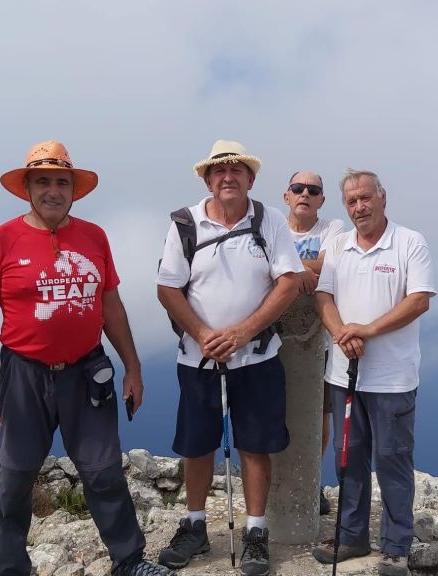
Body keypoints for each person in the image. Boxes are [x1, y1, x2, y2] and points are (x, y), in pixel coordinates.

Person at [0, 141, 174, 576]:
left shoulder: (94, 237)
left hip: (86, 370)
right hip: (24, 373)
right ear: (27, 187)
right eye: (43, 181)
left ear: (73, 189)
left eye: (62, 181)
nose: (53, 190)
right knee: (16, 476)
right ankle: (9, 569)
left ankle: (129, 561)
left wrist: (133, 367)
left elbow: (111, 307)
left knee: (103, 472)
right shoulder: (0, 241)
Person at [156, 140, 302, 576]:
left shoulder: (269, 221)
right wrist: (203, 334)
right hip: (198, 358)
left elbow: (289, 282)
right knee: (197, 444)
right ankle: (195, 524)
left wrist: (242, 333)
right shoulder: (185, 224)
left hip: (256, 356)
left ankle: (256, 531)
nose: (227, 177)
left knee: (256, 444)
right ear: (207, 180)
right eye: (219, 171)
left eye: (236, 170)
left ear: (251, 179)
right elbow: (167, 287)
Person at [311, 170, 436, 576]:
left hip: (392, 379)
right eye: (351, 202)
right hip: (343, 373)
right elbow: (323, 296)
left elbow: (418, 301)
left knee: (392, 460)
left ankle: (396, 547)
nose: (359, 207)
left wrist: (366, 330)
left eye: (366, 198)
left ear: (382, 197)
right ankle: (351, 536)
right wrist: (340, 333)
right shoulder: (339, 244)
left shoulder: (409, 242)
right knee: (348, 459)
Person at [281, 170, 345, 515]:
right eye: (298, 188)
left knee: (318, 415)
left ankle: (310, 479)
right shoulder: (273, 224)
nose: (305, 193)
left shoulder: (332, 230)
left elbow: (330, 264)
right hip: (273, 337)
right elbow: (259, 265)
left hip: (318, 340)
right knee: (274, 411)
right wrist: (306, 271)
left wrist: (285, 269)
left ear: (321, 200)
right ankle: (276, 480)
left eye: (313, 190)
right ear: (286, 195)